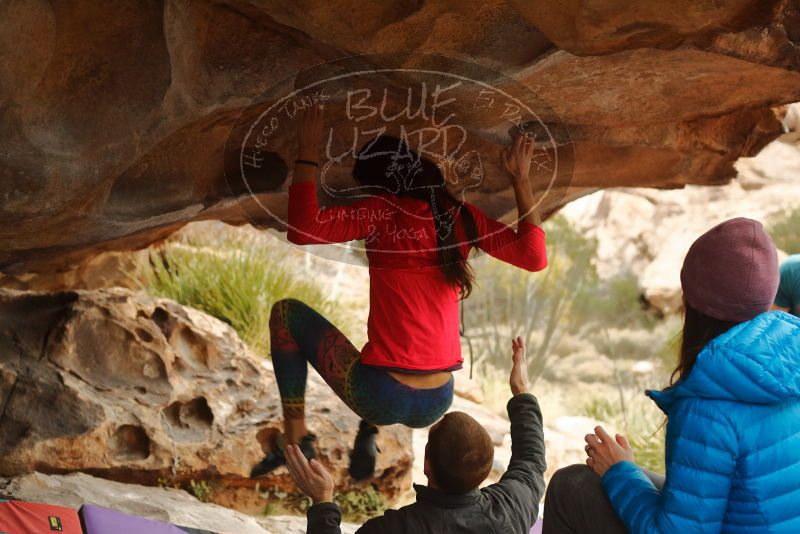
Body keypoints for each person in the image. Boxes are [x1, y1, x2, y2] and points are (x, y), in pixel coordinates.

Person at [251, 104, 548, 479]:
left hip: (377, 392)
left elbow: (303, 229)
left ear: (381, 186)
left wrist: (307, 152)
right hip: (437, 399)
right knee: (385, 342)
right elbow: (534, 257)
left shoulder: (382, 211)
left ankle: (295, 441)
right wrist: (521, 179)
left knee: (285, 314)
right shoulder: (460, 217)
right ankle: (369, 431)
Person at [544, 217, 800, 533]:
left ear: (691, 301)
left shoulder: (709, 402)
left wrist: (618, 471)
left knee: (572, 485)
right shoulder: (792, 354)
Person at [285, 336, 546, 534]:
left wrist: (322, 501)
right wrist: (521, 391)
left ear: (427, 464)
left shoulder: (396, 528)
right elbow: (531, 461)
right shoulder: (511, 510)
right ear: (486, 468)